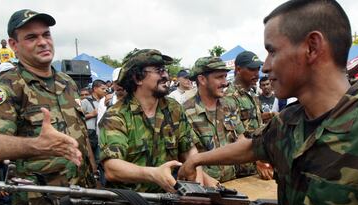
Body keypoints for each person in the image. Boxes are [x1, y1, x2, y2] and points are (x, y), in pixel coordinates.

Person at [178, 0, 358, 205]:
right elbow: (252, 146)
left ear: (312, 47)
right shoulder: (289, 121)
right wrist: (197, 160)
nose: (265, 66)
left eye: (272, 51)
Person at [0, 9, 95, 205]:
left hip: (84, 196)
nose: (43, 42)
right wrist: (39, 145)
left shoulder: (67, 82)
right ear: (13, 45)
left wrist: (94, 178)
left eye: (46, 34)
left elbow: (82, 137)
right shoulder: (7, 86)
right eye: (31, 37)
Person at [98, 49, 212, 193]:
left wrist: (198, 183)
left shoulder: (173, 108)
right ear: (138, 78)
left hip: (171, 200)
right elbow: (112, 168)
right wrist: (153, 174)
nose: (166, 75)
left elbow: (189, 149)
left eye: (165, 70)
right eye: (159, 70)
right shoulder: (116, 116)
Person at [184, 57, 245, 182]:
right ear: (202, 80)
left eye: (225, 76)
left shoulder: (230, 105)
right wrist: (207, 182)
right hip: (204, 188)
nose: (225, 82)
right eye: (219, 77)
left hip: (233, 182)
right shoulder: (185, 113)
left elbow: (241, 139)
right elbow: (185, 157)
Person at [225, 51, 273, 179]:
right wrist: (257, 159)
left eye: (258, 69)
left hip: (259, 164)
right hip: (244, 167)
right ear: (238, 69)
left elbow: (252, 120)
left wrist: (270, 116)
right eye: (252, 69)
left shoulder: (251, 93)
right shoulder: (229, 98)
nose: (257, 74)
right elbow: (236, 134)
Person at [81, 79, 107, 155]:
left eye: (106, 89)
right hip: (90, 137)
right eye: (103, 89)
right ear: (95, 89)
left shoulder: (104, 102)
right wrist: (91, 114)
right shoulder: (85, 101)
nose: (105, 91)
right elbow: (77, 118)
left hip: (101, 137)